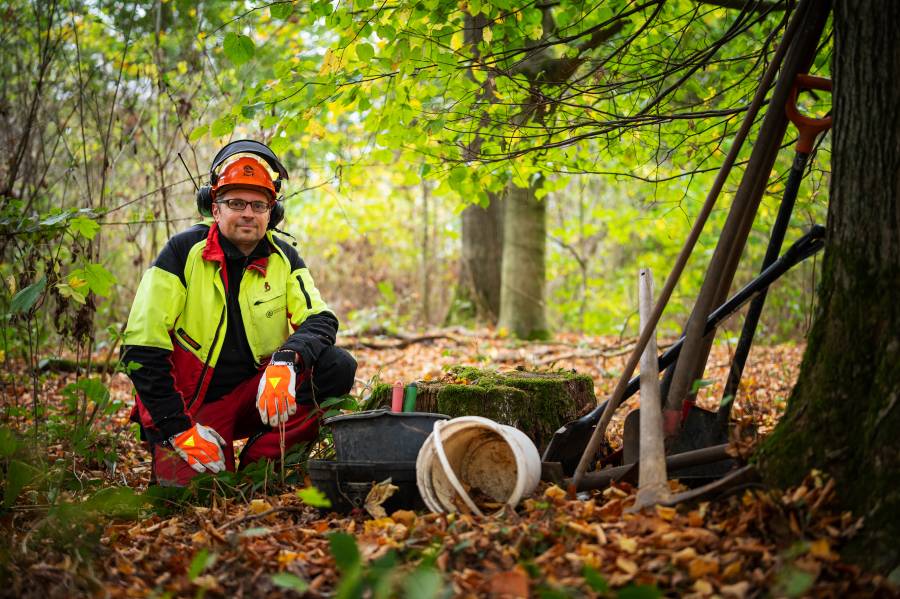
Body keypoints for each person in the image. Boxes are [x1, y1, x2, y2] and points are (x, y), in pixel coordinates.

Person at [122, 140, 356, 486]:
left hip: (260, 393)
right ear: (214, 209)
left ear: (271, 214)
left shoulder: (284, 259)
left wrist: (286, 360)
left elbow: (320, 319)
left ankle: (263, 463)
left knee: (337, 365)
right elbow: (142, 349)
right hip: (193, 405)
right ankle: (195, 452)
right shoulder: (182, 252)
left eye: (258, 204)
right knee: (195, 497)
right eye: (236, 202)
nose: (248, 212)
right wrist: (178, 428)